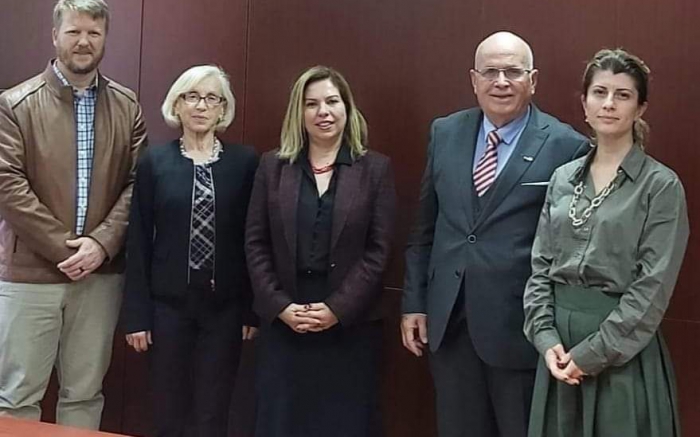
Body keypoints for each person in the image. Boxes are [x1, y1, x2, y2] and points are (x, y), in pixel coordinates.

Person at [402, 31, 589, 437]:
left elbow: (569, 250)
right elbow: (424, 228)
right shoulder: (445, 132)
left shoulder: (567, 147)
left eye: (512, 72)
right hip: (450, 325)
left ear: (533, 80)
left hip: (519, 330)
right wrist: (414, 302)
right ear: (474, 80)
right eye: (490, 72)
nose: (500, 82)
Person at [0, 0, 147, 429]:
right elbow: (7, 183)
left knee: (84, 394)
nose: (84, 41)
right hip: (30, 275)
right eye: (74, 31)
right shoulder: (14, 104)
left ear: (105, 38)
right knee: (16, 397)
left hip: (100, 278)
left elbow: (138, 185)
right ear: (54, 36)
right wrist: (66, 249)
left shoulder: (128, 106)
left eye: (94, 33)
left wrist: (100, 246)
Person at [523, 48, 689, 437]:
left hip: (621, 353)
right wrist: (545, 338)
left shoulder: (660, 186)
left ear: (640, 108)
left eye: (623, 95)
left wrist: (592, 354)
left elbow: (652, 288)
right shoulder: (563, 178)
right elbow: (540, 268)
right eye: (599, 92)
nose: (609, 104)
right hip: (559, 353)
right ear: (584, 103)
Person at [245, 66, 396, 437]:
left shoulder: (375, 169)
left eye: (331, 101)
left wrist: (336, 310)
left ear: (347, 108)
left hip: (349, 325)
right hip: (285, 321)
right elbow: (255, 242)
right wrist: (280, 306)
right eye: (311, 104)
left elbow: (379, 251)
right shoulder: (272, 166)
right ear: (298, 113)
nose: (323, 112)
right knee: (281, 422)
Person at [122, 65, 258, 437]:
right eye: (192, 96)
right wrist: (137, 315)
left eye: (212, 98)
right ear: (177, 105)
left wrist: (251, 309)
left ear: (223, 108)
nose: (201, 106)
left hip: (224, 310)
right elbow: (138, 239)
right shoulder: (154, 162)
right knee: (167, 409)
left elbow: (253, 241)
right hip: (168, 308)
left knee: (213, 411)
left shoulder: (245, 163)